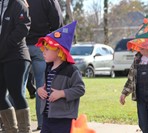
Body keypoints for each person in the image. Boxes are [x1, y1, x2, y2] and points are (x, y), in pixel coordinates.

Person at [35, 21, 85, 133]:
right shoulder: (48, 68)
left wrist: (62, 93)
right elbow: (45, 87)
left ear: (58, 50)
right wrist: (39, 91)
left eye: (47, 49)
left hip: (64, 119)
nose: (43, 52)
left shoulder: (71, 70)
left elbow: (80, 89)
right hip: (47, 117)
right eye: (43, 49)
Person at [26, 0, 63, 130]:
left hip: (21, 45)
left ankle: (16, 124)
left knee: (16, 86)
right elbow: (57, 20)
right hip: (42, 45)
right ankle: (42, 123)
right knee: (42, 85)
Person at [0, 0, 32, 132]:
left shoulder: (18, 4)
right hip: (2, 56)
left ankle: (25, 130)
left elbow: (23, 27)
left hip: (16, 56)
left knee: (16, 93)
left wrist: (5, 45)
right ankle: (11, 130)